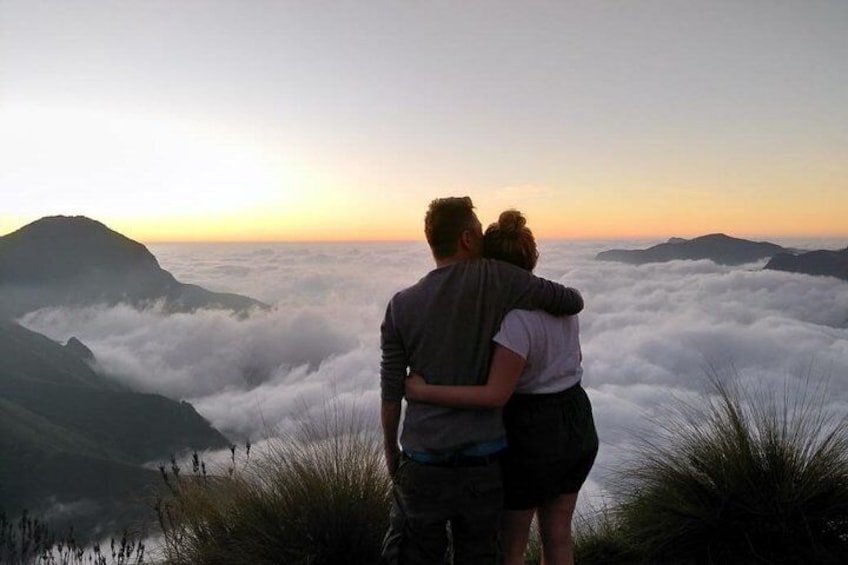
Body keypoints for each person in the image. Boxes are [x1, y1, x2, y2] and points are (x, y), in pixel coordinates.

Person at [380, 197, 584, 564]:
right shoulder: (498, 280)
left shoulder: (400, 305)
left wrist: (391, 452)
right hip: (484, 463)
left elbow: (392, 391)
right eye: (477, 231)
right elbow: (570, 300)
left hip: (422, 461)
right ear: (468, 239)